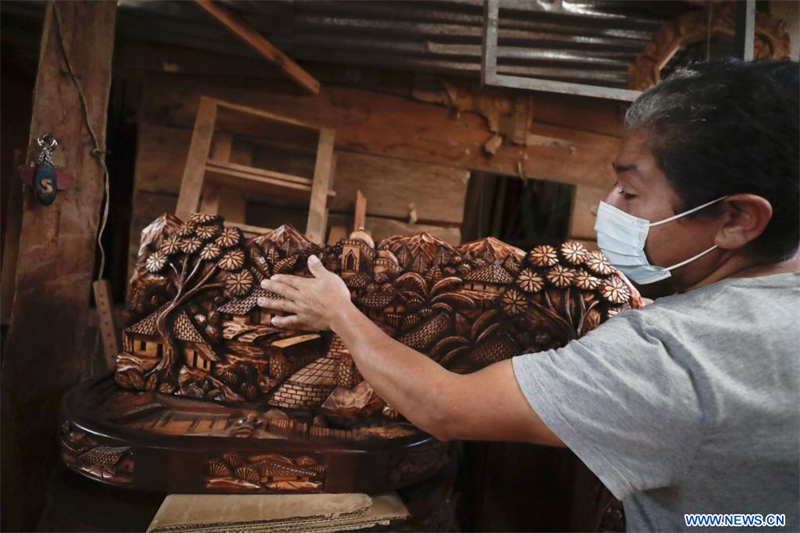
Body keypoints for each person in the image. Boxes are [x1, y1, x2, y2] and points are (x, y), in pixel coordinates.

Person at [257, 60, 799, 531]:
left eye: (631, 192)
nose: (605, 206)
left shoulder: (671, 356)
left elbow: (444, 406)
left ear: (736, 218)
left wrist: (339, 313)